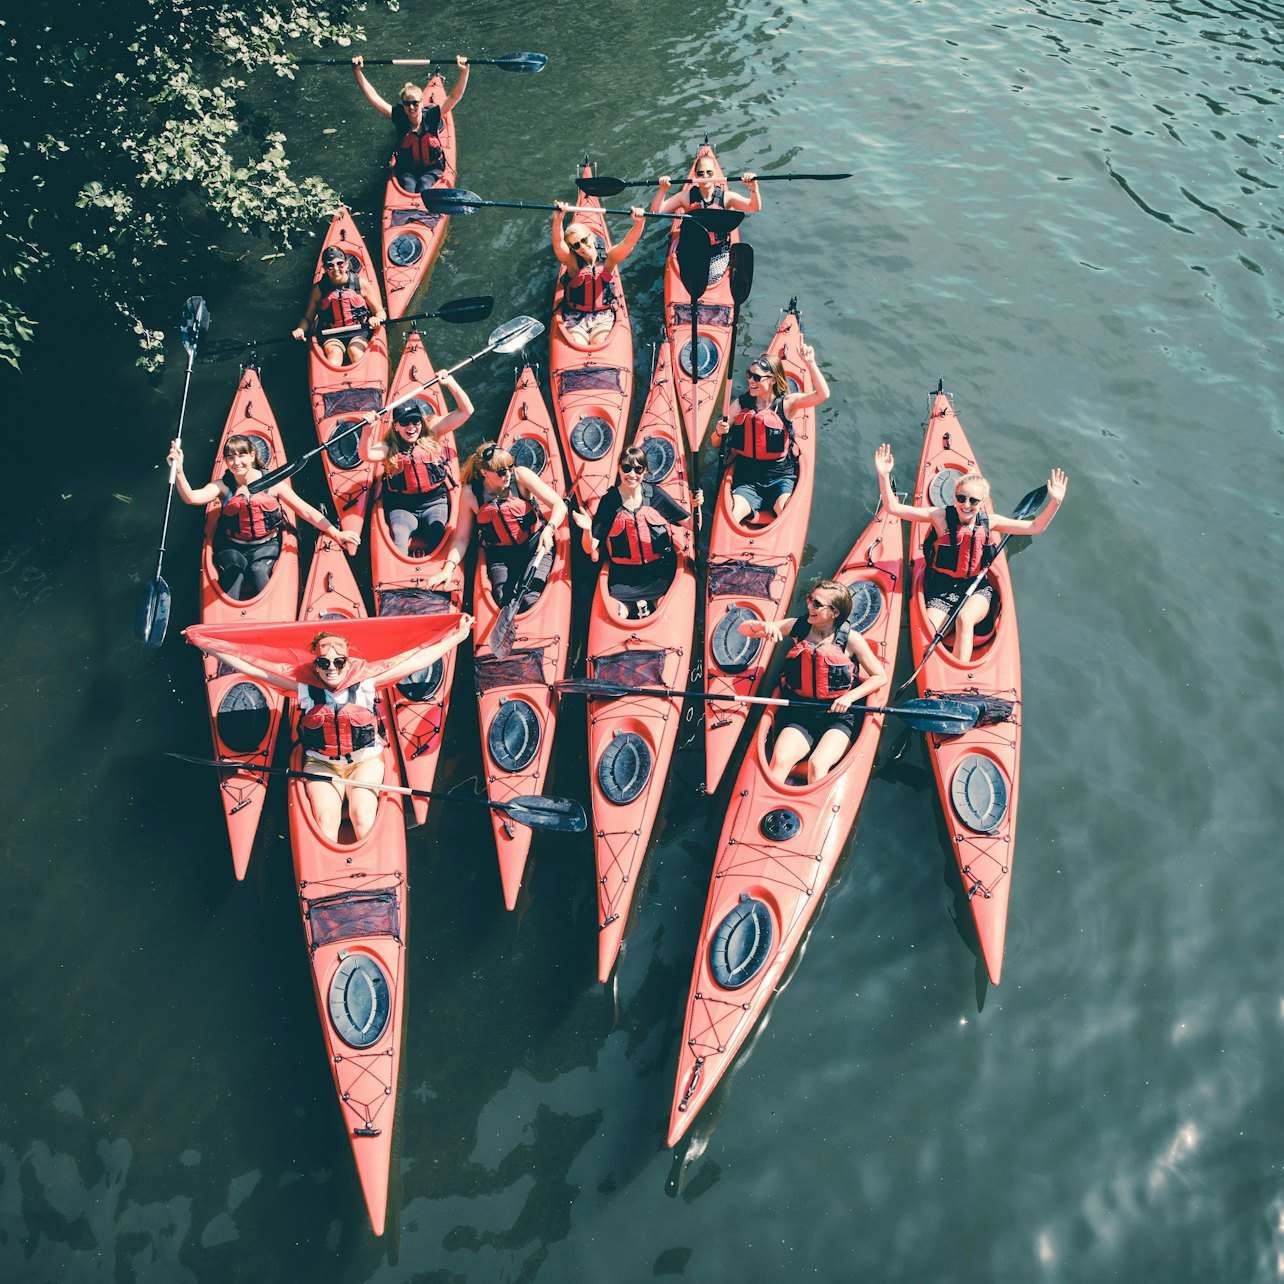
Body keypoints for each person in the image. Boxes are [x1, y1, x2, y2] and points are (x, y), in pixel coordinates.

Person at [200, 622, 472, 842]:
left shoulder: (367, 682)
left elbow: (414, 661)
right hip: (321, 764)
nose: (331, 669)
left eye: (338, 662)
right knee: (325, 820)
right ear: (315, 663)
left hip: (364, 761)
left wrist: (456, 637)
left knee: (362, 816)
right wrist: (206, 645)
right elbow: (252, 666)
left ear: (347, 660)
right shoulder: (303, 687)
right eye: (324, 663)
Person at [874, 443, 1069, 663]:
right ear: (954, 496)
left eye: (973, 501)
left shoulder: (990, 522)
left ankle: (960, 678)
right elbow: (894, 508)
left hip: (977, 587)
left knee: (965, 619)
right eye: (961, 498)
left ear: (982, 502)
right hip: (941, 588)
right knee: (928, 632)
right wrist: (884, 475)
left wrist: (1055, 502)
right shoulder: (939, 516)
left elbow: (1035, 528)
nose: (966, 505)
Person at [168, 435, 360, 601]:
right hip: (232, 546)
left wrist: (336, 533)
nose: (236, 462)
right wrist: (178, 470)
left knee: (258, 572)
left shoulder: (273, 484)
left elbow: (306, 511)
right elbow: (191, 498)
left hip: (266, 545)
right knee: (233, 576)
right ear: (226, 461)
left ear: (252, 455)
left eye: (242, 455)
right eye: (230, 458)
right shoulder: (222, 486)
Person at [738, 579, 888, 784]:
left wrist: (850, 698)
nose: (809, 606)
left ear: (835, 612)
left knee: (817, 764)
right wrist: (760, 626)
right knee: (780, 759)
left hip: (838, 716)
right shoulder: (798, 626)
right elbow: (743, 630)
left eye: (817, 604)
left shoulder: (852, 640)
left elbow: (880, 676)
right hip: (801, 710)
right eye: (810, 599)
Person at [572, 445, 702, 619]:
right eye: (626, 468)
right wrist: (587, 529)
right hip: (623, 578)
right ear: (619, 468)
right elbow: (590, 548)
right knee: (617, 615)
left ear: (645, 471)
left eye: (638, 469)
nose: (632, 475)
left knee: (666, 613)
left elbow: (693, 525)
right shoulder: (609, 502)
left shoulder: (655, 495)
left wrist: (697, 507)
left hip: (659, 573)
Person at [434, 441, 566, 612]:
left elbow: (559, 505)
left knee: (530, 598)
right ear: (484, 472)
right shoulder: (471, 494)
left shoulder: (520, 476)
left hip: (536, 548)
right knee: (504, 600)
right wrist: (448, 568)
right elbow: (461, 538)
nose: (508, 474)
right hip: (501, 557)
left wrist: (550, 528)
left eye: (510, 467)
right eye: (501, 472)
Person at [711, 344, 830, 523]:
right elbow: (715, 443)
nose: (751, 381)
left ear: (773, 380)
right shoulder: (739, 405)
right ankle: (748, 517)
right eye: (749, 375)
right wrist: (719, 433)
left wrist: (811, 363)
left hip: (779, 475)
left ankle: (767, 518)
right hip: (747, 477)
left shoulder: (787, 405)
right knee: (733, 515)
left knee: (784, 510)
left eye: (757, 377)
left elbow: (822, 395)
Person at [364, 376, 473, 553]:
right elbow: (366, 454)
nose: (412, 427)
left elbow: (466, 411)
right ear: (396, 426)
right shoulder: (389, 446)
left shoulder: (432, 432)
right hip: (402, 507)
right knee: (398, 535)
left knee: (437, 534)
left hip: (435, 502)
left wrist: (451, 384)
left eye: (415, 421)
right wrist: (367, 431)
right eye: (405, 422)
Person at [351, 53, 469, 194]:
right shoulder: (400, 117)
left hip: (432, 168)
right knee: (408, 185)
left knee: (424, 185)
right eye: (407, 104)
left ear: (422, 102)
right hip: (406, 169)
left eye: (415, 103)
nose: (411, 107)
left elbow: (455, 96)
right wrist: (357, 72)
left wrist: (464, 71)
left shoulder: (432, 116)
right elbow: (374, 98)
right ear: (403, 105)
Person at [650, 153, 760, 285]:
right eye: (701, 173)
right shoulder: (686, 197)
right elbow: (656, 211)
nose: (705, 176)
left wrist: (753, 188)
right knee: (693, 276)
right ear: (695, 175)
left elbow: (754, 207)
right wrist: (663, 190)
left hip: (718, 254)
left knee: (709, 279)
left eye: (709, 172)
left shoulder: (726, 197)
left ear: (716, 175)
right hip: (691, 249)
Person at [551, 202, 647, 348]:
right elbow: (558, 244)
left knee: (600, 343)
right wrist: (558, 221)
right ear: (573, 249)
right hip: (575, 316)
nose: (582, 247)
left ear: (592, 237)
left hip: (603, 317)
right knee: (577, 344)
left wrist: (640, 222)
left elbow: (628, 243)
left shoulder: (609, 259)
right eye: (576, 245)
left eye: (584, 240)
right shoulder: (572, 264)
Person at [292, 244, 386, 365]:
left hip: (359, 331)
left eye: (339, 263)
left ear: (346, 264)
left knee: (356, 352)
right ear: (325, 268)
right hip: (331, 334)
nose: (336, 269)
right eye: (330, 265)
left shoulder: (361, 284)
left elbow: (380, 312)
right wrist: (300, 329)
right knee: (334, 356)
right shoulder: (318, 290)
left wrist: (377, 319)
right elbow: (307, 318)